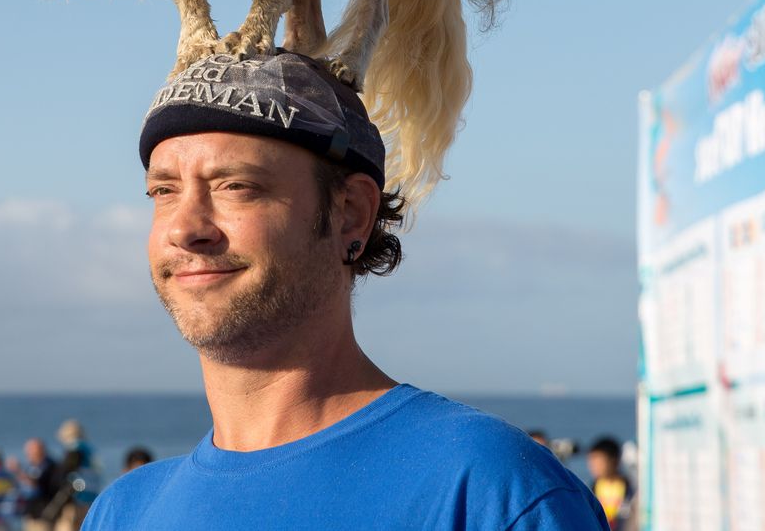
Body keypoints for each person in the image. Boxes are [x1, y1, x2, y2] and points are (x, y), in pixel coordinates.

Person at [83, 51, 611, 530]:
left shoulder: (486, 490)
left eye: (236, 186)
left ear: (351, 214)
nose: (185, 227)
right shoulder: (124, 512)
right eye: (163, 191)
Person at [43, 420, 102, 531]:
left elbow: (65, 471)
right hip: (90, 496)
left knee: (67, 525)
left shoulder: (75, 449)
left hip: (76, 497)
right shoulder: (90, 450)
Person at [8, 438, 59, 531]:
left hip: (43, 514)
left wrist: (18, 470)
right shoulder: (31, 466)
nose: (28, 454)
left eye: (31, 450)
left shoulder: (49, 466)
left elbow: (37, 484)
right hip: (30, 513)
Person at [585, 437, 635, 531]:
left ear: (614, 461)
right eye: (591, 461)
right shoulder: (589, 490)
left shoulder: (631, 489)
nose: (594, 466)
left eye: (599, 461)